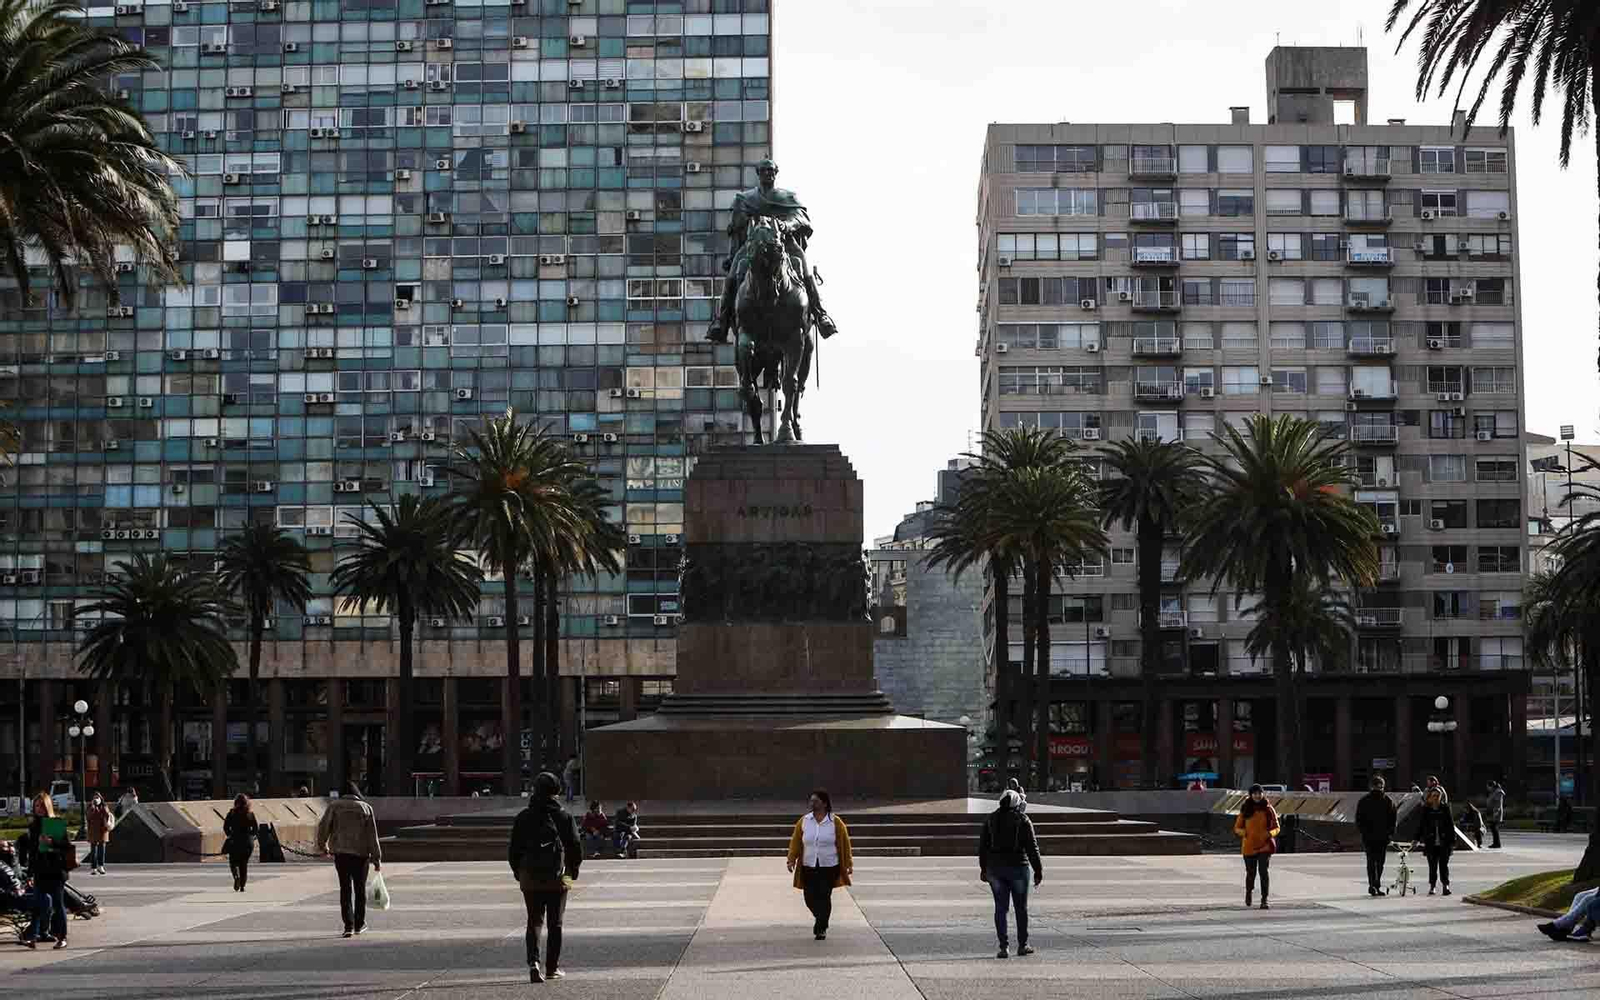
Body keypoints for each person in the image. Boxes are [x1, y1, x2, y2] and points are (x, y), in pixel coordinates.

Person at [704, 156, 838, 344]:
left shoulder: (788, 197)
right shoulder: (745, 199)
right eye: (765, 170)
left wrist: (786, 225)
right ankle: (722, 320)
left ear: (776, 173)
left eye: (772, 170)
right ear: (758, 173)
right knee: (733, 275)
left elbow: (800, 218)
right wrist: (733, 253)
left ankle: (821, 314)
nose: (768, 173)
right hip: (753, 244)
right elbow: (736, 227)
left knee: (805, 269)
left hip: (785, 244)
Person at [508, 771, 581, 983]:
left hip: (530, 878)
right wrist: (570, 877)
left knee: (534, 921)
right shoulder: (564, 817)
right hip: (558, 879)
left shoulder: (523, 817)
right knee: (555, 924)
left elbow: (513, 850)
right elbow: (575, 850)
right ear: (556, 791)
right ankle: (552, 968)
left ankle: (533, 963)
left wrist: (519, 874)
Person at [979, 789, 1043, 959]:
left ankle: (1003, 947)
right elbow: (1032, 848)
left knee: (1000, 909)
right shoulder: (1023, 820)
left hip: (995, 870)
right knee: (1021, 908)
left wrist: (983, 869)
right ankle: (1023, 945)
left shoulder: (990, 819)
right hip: (1018, 868)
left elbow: (983, 847)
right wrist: (1038, 871)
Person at [315, 781, 382, 938]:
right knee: (360, 889)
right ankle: (359, 924)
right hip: (361, 854)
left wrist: (323, 845)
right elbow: (372, 835)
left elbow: (323, 827)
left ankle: (348, 926)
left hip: (341, 853)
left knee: (345, 889)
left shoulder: (334, 806)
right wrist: (377, 857)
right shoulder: (365, 808)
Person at [786, 789, 853, 941]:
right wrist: (791, 859)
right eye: (811, 801)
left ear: (824, 803)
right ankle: (821, 917)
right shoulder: (804, 821)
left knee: (824, 896)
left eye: (815, 801)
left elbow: (845, 843)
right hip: (808, 865)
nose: (812, 803)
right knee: (809, 897)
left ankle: (821, 928)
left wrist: (848, 863)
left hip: (829, 866)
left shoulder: (835, 822)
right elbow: (796, 841)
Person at [25, 793, 71, 949]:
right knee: (38, 904)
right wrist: (29, 874)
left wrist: (52, 843)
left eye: (42, 806)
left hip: (55, 871)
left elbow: (66, 847)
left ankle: (62, 937)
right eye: (37, 806)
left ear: (48, 806)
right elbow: (31, 852)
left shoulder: (55, 823)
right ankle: (33, 936)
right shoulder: (33, 826)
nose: (39, 809)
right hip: (40, 870)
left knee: (58, 904)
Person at [1232, 784, 1279, 910]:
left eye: (1259, 793)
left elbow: (1277, 827)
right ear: (1251, 795)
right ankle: (1249, 892)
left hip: (1265, 845)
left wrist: (1269, 834)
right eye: (1255, 793)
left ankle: (1264, 900)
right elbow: (1237, 827)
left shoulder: (1268, 809)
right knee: (1251, 873)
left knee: (1263, 872)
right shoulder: (1245, 808)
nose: (1257, 796)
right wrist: (1245, 833)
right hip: (1249, 846)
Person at [0, 841, 51, 948]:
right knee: (45, 899)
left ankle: (35, 933)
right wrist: (10, 893)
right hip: (9, 899)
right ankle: (35, 933)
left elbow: (17, 874)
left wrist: (27, 881)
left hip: (20, 893)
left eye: (8, 846)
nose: (8, 849)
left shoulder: (5, 862)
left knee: (47, 894)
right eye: (4, 847)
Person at [1356, 775, 1398, 897]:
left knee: (1371, 862)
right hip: (1382, 837)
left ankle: (1373, 885)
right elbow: (1393, 820)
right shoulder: (1388, 801)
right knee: (1379, 862)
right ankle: (1376, 885)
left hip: (1369, 837)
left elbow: (1359, 820)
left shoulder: (1364, 801)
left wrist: (1363, 832)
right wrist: (1390, 834)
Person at [1412, 787, 1454, 896]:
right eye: (1434, 796)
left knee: (1444, 866)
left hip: (1444, 842)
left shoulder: (1445, 808)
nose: (1436, 798)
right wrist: (1416, 839)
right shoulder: (1426, 809)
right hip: (1431, 842)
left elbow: (1450, 825)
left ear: (1441, 797)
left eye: (1438, 796)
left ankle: (1446, 885)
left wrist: (1452, 842)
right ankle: (1432, 886)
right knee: (1432, 866)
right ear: (1430, 797)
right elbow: (1421, 825)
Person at [224, 794, 259, 892]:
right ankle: (242, 886)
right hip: (247, 842)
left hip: (235, 840)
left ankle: (236, 877)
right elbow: (255, 829)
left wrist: (230, 835)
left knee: (233, 862)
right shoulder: (250, 814)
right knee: (243, 863)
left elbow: (226, 827)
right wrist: (251, 836)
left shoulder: (231, 813)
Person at [84, 792, 113, 876]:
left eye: (98, 798)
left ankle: (101, 866)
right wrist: (93, 807)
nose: (96, 799)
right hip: (93, 831)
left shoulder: (104, 807)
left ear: (101, 799)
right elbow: (88, 816)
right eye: (95, 798)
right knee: (94, 851)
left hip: (102, 831)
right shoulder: (90, 807)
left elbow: (107, 816)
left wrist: (104, 808)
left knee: (102, 850)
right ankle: (94, 868)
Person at [1486, 780, 1505, 848]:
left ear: (1492, 786)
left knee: (1494, 828)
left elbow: (1498, 804)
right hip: (1492, 812)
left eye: (1488, 787)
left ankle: (1497, 844)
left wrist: (1496, 812)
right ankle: (1495, 843)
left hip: (1496, 813)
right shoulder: (1494, 792)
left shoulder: (1498, 792)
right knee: (1493, 828)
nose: (1487, 788)